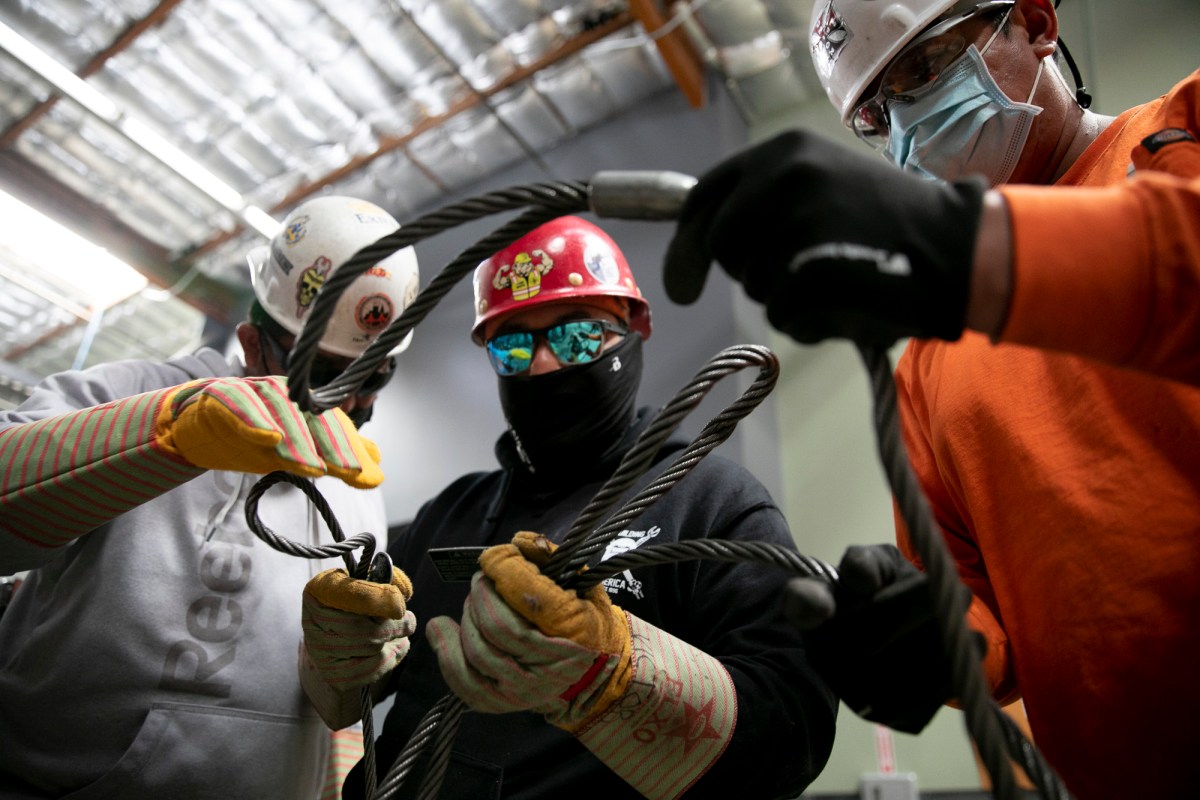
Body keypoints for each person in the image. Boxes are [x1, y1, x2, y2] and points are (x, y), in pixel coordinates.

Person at [659, 0, 1200, 797]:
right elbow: (985, 611)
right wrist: (936, 642)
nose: (907, 122)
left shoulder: (1181, 140)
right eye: (877, 113)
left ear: (1037, 22)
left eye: (922, 69)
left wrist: (959, 246)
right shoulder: (927, 366)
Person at [300, 215, 838, 799]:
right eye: (511, 346)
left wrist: (614, 671)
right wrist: (334, 654)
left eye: (576, 337)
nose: (543, 365)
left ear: (636, 326)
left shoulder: (711, 505)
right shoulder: (449, 513)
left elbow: (794, 732)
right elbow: (346, 692)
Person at [0, 195, 420, 799]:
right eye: (331, 374)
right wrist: (167, 437)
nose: (355, 402)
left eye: (376, 376)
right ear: (254, 343)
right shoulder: (132, 395)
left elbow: (335, 716)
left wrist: (342, 672)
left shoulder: (356, 493)